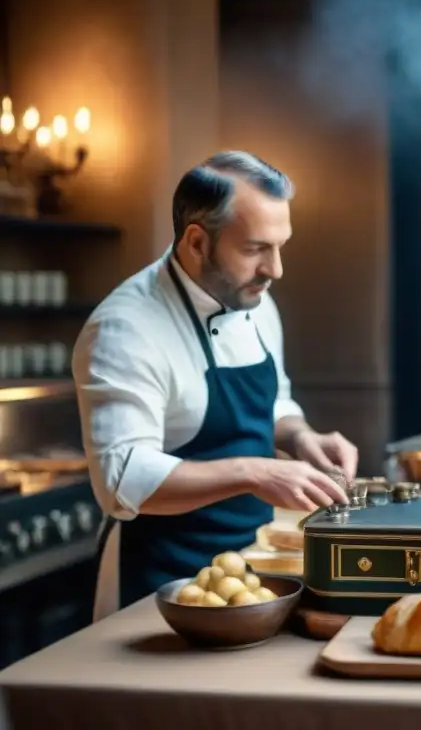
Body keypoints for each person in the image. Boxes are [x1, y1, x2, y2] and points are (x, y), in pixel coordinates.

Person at [73, 151, 356, 620]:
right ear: (197, 242)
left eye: (280, 245)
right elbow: (122, 479)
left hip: (252, 568)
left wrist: (301, 437)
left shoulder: (255, 300)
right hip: (159, 585)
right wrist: (255, 472)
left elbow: (276, 400)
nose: (276, 269)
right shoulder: (124, 328)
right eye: (255, 249)